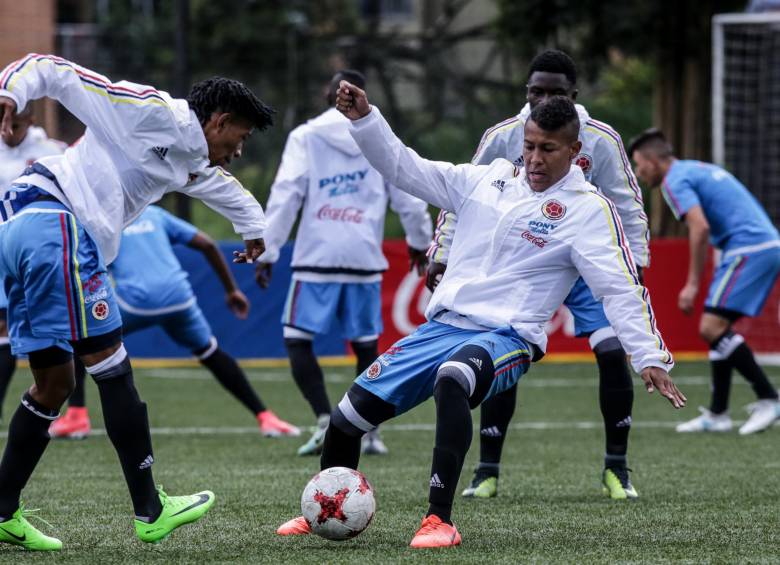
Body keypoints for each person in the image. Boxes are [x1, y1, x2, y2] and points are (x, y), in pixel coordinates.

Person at [276, 85, 685, 548]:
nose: (534, 158)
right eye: (529, 146)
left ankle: (439, 520)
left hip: (508, 336)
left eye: (548, 149)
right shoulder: (484, 180)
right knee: (347, 418)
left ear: (575, 151)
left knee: (453, 377)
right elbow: (404, 166)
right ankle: (320, 510)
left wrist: (648, 354)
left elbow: (619, 286)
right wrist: (366, 119)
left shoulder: (589, 211)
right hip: (441, 327)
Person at [0, 53, 273, 550]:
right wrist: (12, 91)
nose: (239, 150)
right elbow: (58, 72)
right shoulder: (152, 111)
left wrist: (255, 229)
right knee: (113, 367)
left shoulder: (190, 159)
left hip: (19, 228)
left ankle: (1, 510)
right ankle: (150, 509)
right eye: (243, 136)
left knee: (54, 383)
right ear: (220, 121)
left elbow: (220, 187)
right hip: (57, 223)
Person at [427, 50, 650, 500]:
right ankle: (487, 470)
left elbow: (627, 201)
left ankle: (617, 468)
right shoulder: (504, 135)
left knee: (610, 350)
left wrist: (637, 261)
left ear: (574, 96)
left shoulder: (600, 140)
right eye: (535, 91)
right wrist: (442, 251)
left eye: (554, 92)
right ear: (526, 92)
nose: (542, 99)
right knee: (494, 351)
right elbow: (463, 193)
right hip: (523, 262)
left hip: (581, 257)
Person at [255, 70, 432, 456]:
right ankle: (367, 431)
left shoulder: (306, 136)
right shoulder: (375, 133)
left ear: (327, 94)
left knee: (297, 339)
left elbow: (287, 192)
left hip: (317, 256)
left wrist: (267, 248)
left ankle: (323, 420)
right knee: (367, 348)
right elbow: (406, 188)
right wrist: (420, 241)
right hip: (363, 256)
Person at [48, 205, 299, 440]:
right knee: (211, 352)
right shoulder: (156, 213)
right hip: (180, 301)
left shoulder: (103, 221)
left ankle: (77, 416)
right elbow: (208, 244)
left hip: (136, 304)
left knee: (82, 340)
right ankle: (266, 417)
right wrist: (232, 290)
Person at [630, 128, 780, 435]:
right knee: (717, 329)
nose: (638, 172)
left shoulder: (674, 180)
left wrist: (692, 283)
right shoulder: (697, 168)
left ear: (653, 161)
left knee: (710, 328)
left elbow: (699, 228)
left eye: (638, 164)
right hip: (761, 246)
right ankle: (718, 413)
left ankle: (769, 398)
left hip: (748, 249)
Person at [0, 104, 66, 422]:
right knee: (2, 330)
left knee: (65, 329)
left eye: (15, 120)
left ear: (31, 119)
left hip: (45, 250)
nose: (8, 126)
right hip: (4, 249)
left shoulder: (51, 151)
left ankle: (76, 411)